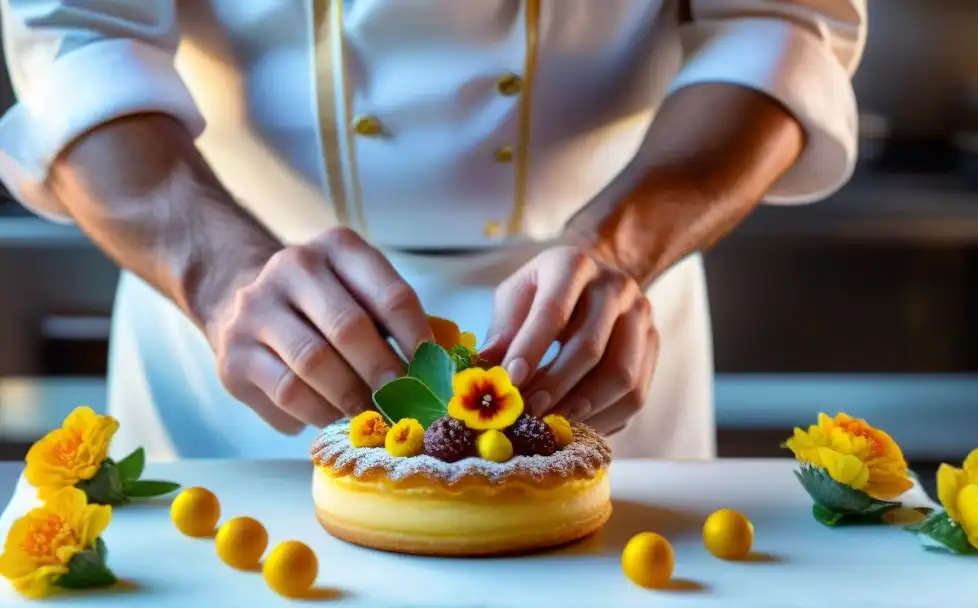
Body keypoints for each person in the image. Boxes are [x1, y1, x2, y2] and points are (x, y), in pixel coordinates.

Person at [0, 0, 866, 463]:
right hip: (237, 332)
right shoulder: (229, 289)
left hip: (598, 333)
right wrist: (221, 275)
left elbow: (780, 25)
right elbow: (77, 37)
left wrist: (618, 250)